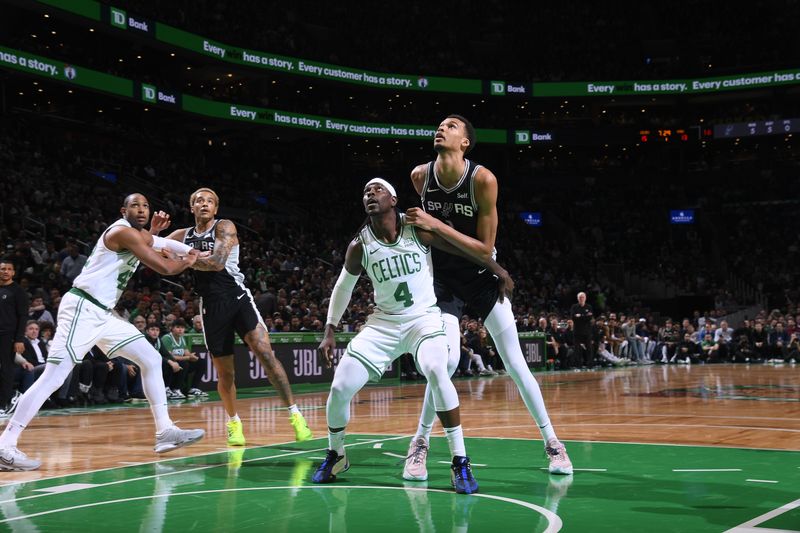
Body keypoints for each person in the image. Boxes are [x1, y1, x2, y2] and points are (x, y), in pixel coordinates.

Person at [403, 115, 573, 476]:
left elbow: (484, 248)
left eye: (451, 126)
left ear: (465, 142)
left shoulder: (482, 179)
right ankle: (419, 442)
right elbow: (431, 239)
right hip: (443, 281)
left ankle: (553, 443)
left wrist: (436, 227)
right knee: (444, 364)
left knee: (515, 364)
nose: (441, 128)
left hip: (481, 278)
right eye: (440, 124)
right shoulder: (421, 177)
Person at [313, 178, 506, 493]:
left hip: (423, 319)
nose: (369, 194)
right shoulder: (359, 245)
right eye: (365, 191)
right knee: (339, 388)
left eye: (376, 190)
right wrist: (330, 329)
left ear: (393, 198)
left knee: (437, 370)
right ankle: (336, 453)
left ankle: (460, 461)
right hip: (383, 324)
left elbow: (459, 247)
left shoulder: (417, 229)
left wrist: (499, 271)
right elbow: (343, 288)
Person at [0, 194, 206, 471]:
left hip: (104, 314)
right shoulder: (121, 232)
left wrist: (174, 243)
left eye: (145, 205)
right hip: (82, 309)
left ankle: (165, 431)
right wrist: (192, 258)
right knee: (54, 377)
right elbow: (164, 266)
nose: (142, 209)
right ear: (123, 211)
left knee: (151, 359)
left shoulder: (137, 235)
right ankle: (5, 445)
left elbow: (163, 244)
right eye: (135, 205)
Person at [160, 188, 312, 445]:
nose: (204, 204)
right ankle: (234, 422)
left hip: (237, 298)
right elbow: (149, 249)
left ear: (216, 208)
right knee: (226, 373)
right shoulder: (181, 235)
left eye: (209, 200)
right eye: (198, 200)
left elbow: (218, 262)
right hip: (210, 306)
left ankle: (295, 414)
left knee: (265, 352)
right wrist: (154, 233)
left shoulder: (224, 226)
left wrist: (184, 258)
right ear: (191, 207)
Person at [0, 259, 28, 414]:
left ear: (13, 272)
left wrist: (19, 339)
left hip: (8, 335)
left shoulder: (17, 291)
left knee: (6, 369)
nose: (5, 271)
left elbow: (23, 316)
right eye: (3, 268)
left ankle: (4, 403)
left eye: (9, 269)